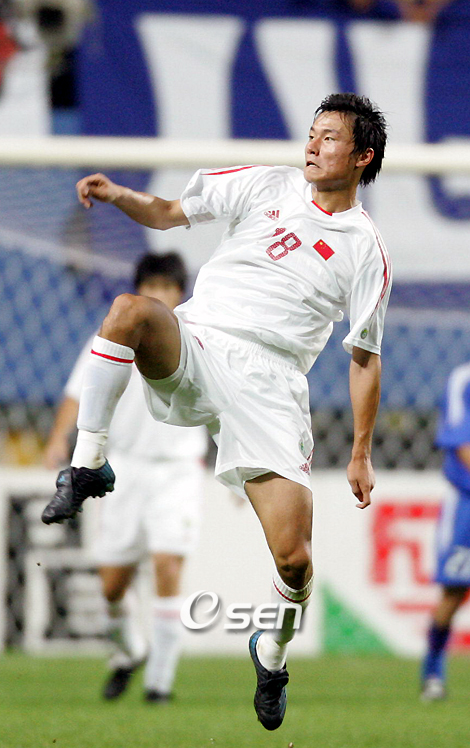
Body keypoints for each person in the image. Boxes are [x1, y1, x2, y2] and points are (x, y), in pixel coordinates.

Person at [42, 92, 391, 730]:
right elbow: (169, 212)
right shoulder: (267, 185)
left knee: (294, 558)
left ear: (362, 156)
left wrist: (361, 452)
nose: (313, 145)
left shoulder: (365, 248)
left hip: (272, 385)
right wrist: (120, 195)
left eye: (330, 137)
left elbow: (364, 358)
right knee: (127, 313)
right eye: (312, 133)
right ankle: (89, 464)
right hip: (200, 341)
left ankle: (272, 653)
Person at [44, 252, 207, 703]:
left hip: (178, 469)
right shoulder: (115, 333)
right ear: (139, 291)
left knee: (168, 566)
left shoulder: (198, 337)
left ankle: (160, 684)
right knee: (113, 585)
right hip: (124, 469)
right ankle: (130, 651)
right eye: (151, 287)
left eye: (167, 288)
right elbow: (78, 393)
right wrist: (58, 439)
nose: (159, 295)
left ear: (180, 293)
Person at [421, 361, 470, 702]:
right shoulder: (463, 379)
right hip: (466, 501)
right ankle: (433, 672)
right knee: (454, 590)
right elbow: (461, 442)